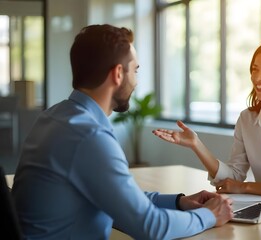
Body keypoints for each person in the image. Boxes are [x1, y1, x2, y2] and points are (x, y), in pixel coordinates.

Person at [11, 24, 233, 240]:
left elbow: (116, 198)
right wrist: (209, 215)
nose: (136, 81)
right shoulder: (89, 136)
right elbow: (150, 228)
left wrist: (178, 202)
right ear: (118, 73)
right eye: (135, 70)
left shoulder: (54, 117)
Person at [153, 40, 261, 200]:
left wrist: (245, 187)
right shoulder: (246, 119)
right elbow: (234, 177)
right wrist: (196, 145)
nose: (258, 77)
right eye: (254, 69)